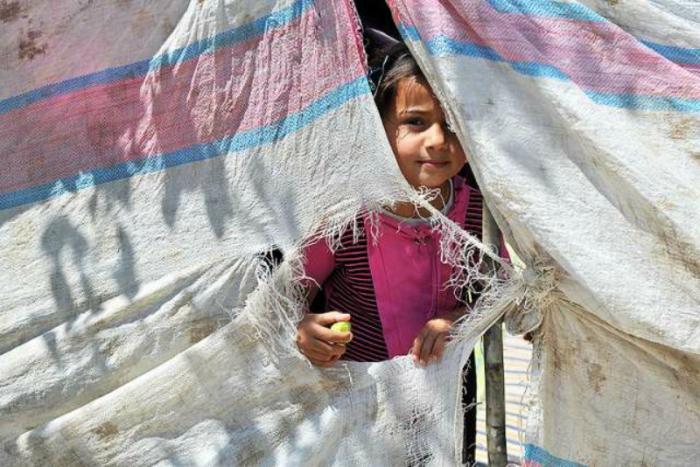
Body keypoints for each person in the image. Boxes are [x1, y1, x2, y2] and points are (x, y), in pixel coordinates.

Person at [295, 37, 482, 463]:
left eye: (453, 123)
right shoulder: (347, 217)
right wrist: (305, 330)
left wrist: (455, 319)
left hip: (446, 402)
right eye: (416, 122)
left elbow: (497, 291)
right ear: (377, 128)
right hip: (359, 404)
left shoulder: (475, 212)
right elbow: (292, 289)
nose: (438, 140)